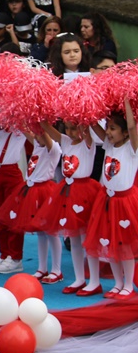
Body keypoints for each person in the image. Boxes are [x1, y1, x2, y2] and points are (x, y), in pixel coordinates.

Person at [37, 120, 101, 295]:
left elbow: (86, 128)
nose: (71, 132)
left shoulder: (88, 142)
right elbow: (47, 127)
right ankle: (79, 278)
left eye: (75, 128)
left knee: (87, 238)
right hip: (68, 191)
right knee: (74, 238)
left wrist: (82, 119)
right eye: (68, 129)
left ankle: (94, 281)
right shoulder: (65, 141)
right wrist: (38, 115)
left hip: (84, 192)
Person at [0, 127, 63, 282]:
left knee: (51, 232)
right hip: (32, 190)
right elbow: (26, 129)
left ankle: (57, 270)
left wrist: (41, 124)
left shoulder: (54, 149)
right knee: (40, 233)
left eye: (39, 134)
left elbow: (44, 136)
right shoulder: (38, 145)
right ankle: (42, 268)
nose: (36, 137)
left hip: (44, 191)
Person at [86, 99, 138, 299]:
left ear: (125, 132)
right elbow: (92, 125)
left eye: (113, 128)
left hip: (124, 202)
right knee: (110, 243)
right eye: (108, 128)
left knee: (124, 244)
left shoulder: (132, 148)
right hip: (106, 201)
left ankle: (128, 284)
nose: (108, 132)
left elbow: (132, 126)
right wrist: (85, 105)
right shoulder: (109, 145)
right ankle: (117, 283)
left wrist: (126, 102)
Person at [0, 120, 28, 274]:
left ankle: (15, 258)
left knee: (13, 216)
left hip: (11, 173)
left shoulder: (20, 126)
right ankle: (5, 254)